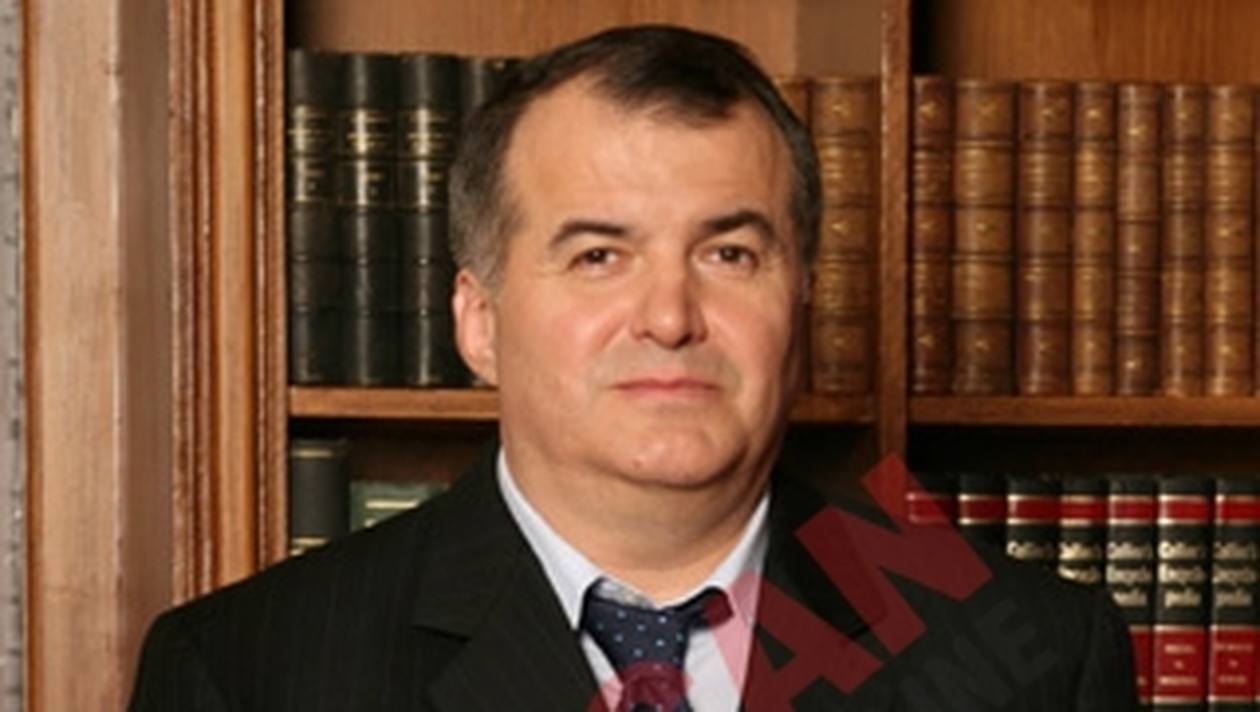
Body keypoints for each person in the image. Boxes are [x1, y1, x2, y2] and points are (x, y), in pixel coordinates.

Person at [128, 24, 1139, 711]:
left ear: (800, 303)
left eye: (729, 254)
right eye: (598, 256)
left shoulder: (1037, 655)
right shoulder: (247, 670)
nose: (669, 318)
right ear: (479, 323)